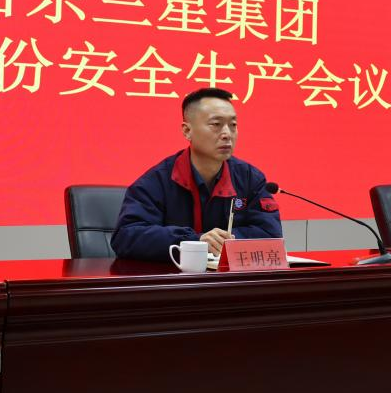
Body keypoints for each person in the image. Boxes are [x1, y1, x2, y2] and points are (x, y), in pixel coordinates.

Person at [112, 87, 281, 262]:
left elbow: (272, 235)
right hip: (175, 276)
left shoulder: (250, 178)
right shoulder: (157, 180)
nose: (227, 134)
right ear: (187, 131)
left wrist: (225, 242)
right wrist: (195, 241)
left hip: (229, 277)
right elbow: (126, 237)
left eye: (233, 125)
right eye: (216, 124)